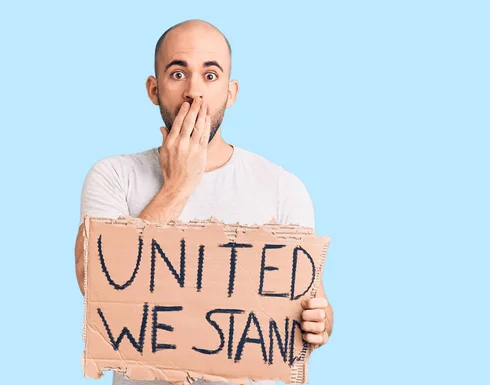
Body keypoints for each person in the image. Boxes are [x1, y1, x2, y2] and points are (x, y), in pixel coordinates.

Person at [73, 19, 334, 385]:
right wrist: (178, 185)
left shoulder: (282, 187)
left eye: (210, 77)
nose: (194, 92)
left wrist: (320, 324)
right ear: (154, 89)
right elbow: (94, 284)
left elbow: (313, 306)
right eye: (177, 74)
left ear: (231, 92)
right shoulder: (114, 175)